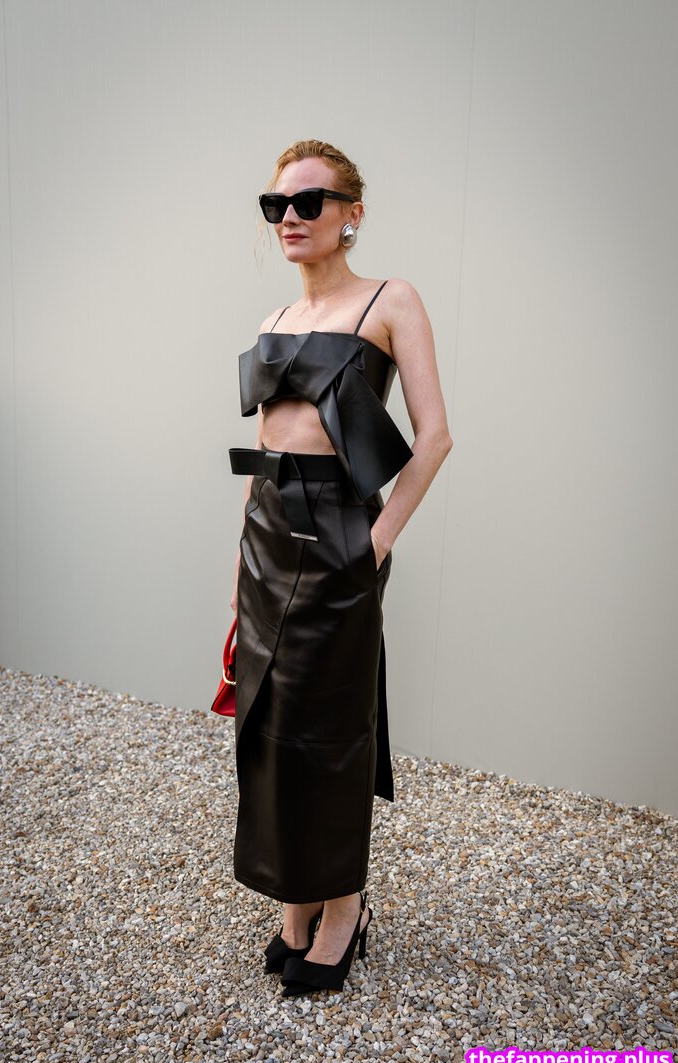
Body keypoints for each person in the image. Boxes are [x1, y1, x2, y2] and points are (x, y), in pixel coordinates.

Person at [228, 139, 453, 997]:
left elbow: (435, 437)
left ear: (351, 213)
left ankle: (344, 907)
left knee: (330, 727)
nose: (289, 217)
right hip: (266, 532)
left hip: (340, 533)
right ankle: (297, 898)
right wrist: (238, 575)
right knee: (269, 725)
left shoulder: (391, 300)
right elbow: (263, 453)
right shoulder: (274, 320)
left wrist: (377, 540)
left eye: (308, 201)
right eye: (276, 205)